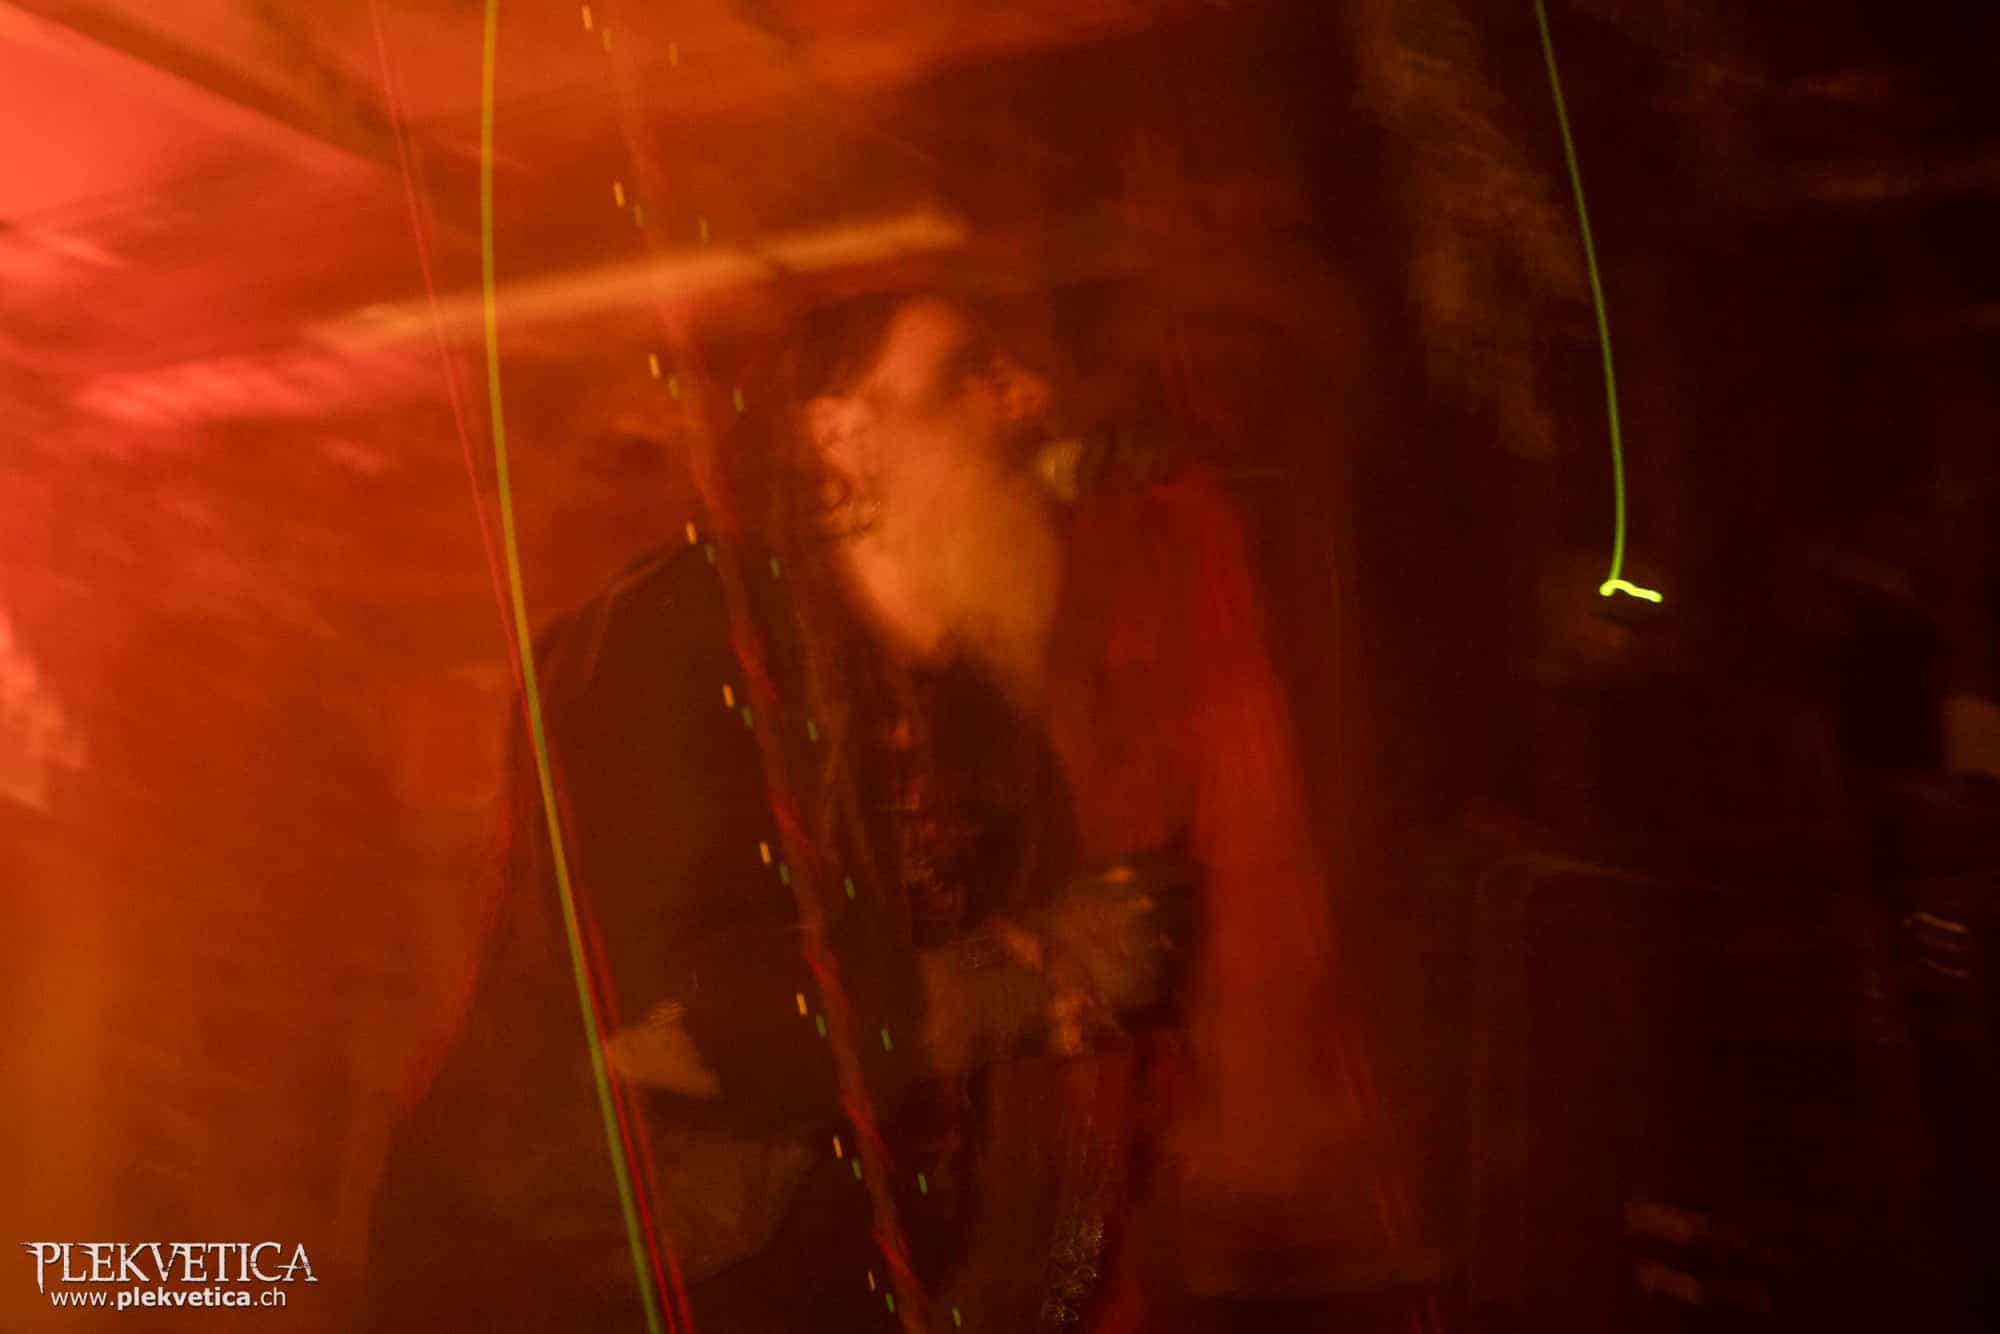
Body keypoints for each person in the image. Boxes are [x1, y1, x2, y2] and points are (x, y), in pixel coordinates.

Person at [364, 291, 1194, 1334]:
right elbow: (665, 1023)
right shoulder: (682, 642)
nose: (1031, 395)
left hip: (808, 1285)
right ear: (841, 436)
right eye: (969, 371)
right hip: (560, 1285)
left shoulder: (984, 717)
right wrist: (1008, 983)